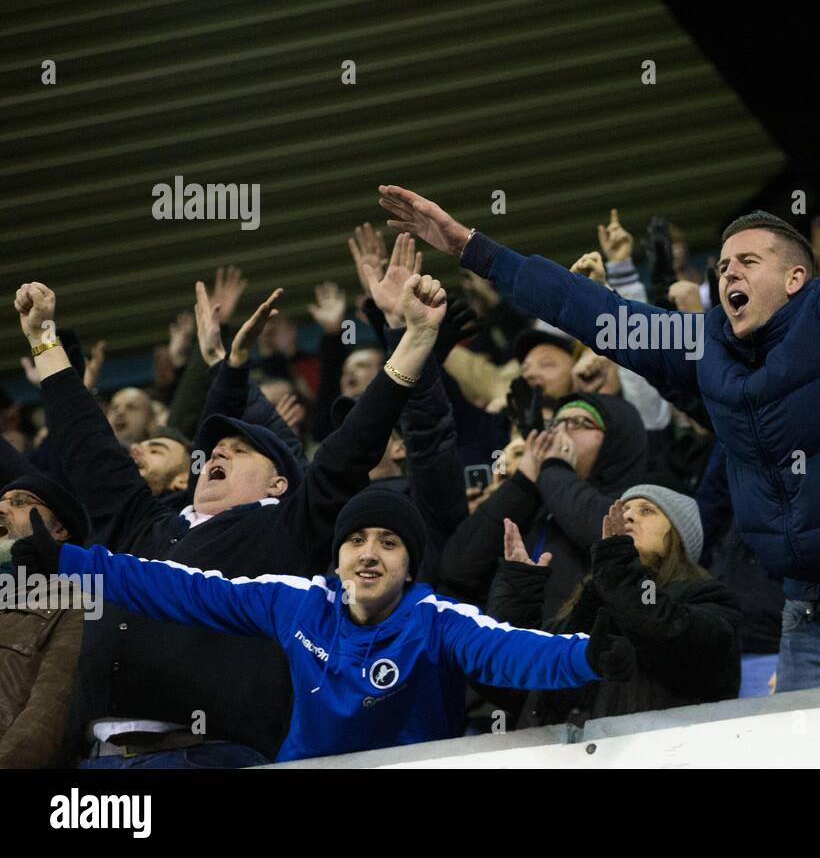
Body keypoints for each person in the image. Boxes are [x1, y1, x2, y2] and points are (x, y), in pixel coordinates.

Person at [380, 71, 820, 689]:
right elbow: (594, 313)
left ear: (795, 278)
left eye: (748, 261)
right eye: (723, 264)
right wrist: (471, 247)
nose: (727, 272)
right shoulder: (703, 345)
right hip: (806, 620)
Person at [17, 273, 450, 766]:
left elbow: (352, 446)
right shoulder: (148, 524)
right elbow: (88, 443)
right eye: (216, 448)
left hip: (210, 756)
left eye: (242, 450)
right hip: (96, 764)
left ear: (279, 484)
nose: (220, 451)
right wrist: (43, 337)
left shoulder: (287, 528)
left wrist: (414, 340)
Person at [12, 490, 629, 763]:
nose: (368, 554)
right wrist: (71, 561)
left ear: (409, 563)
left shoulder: (434, 619)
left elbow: (510, 652)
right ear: (335, 557)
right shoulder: (295, 603)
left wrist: (588, 654)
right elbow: (178, 588)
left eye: (388, 543)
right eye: (355, 540)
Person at [486, 488, 740, 728]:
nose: (628, 515)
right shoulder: (582, 605)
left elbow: (664, 629)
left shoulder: (709, 600)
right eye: (625, 508)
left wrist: (617, 569)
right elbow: (506, 683)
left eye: (647, 510)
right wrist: (518, 592)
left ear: (677, 536)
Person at [440, 393, 646, 617]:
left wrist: (555, 467)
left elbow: (602, 532)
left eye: (579, 423)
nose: (560, 433)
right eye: (555, 424)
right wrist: (524, 481)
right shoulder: (536, 500)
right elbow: (458, 568)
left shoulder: (641, 504)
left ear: (616, 440)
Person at [0, 477, 90, 767]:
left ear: (60, 530)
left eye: (20, 502)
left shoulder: (79, 601)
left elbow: (48, 716)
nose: (1, 508)